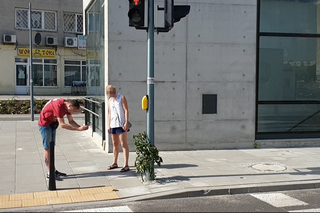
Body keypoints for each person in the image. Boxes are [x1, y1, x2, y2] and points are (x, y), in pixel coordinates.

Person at [38, 98, 89, 181]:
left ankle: (53, 170)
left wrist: (80, 127)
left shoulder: (67, 106)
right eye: (74, 110)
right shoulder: (59, 106)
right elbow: (62, 124)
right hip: (45, 124)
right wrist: (78, 129)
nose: (74, 112)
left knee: (52, 148)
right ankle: (49, 173)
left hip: (52, 123)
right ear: (70, 106)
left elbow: (71, 121)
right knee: (47, 148)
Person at [106, 85, 130, 172]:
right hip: (113, 123)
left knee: (123, 144)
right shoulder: (110, 100)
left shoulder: (122, 98)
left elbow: (126, 110)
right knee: (115, 143)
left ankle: (126, 164)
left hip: (121, 124)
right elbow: (110, 113)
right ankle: (115, 162)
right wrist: (108, 125)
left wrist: (126, 122)